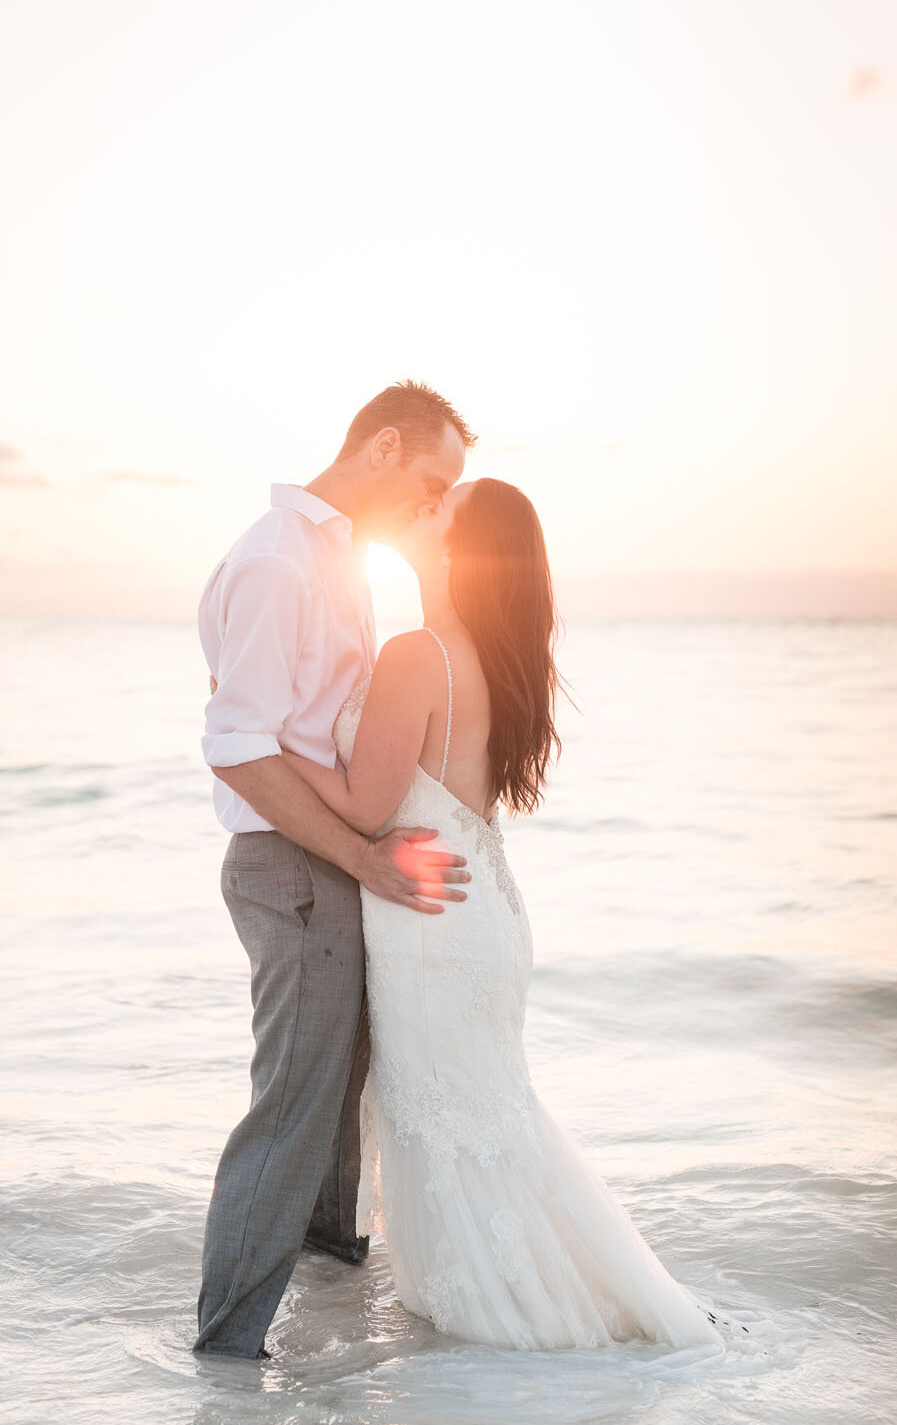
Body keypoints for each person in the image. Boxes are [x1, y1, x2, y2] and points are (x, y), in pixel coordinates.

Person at [279, 475, 729, 1351]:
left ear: (457, 549)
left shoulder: (420, 654)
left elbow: (367, 808)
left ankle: (507, 1321)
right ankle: (517, 1307)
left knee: (455, 1116)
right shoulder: (481, 655)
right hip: (474, 916)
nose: (422, 504)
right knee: (481, 1115)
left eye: (440, 506)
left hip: (432, 924)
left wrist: (261, 744)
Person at [193, 380, 478, 1359]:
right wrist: (359, 853)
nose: (435, 506)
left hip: (322, 860)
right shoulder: (279, 563)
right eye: (433, 481)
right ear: (385, 448)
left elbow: (304, 723)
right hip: (294, 863)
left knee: (337, 1088)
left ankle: (325, 1281)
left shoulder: (334, 559)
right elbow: (235, 742)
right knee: (294, 1104)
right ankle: (226, 1353)